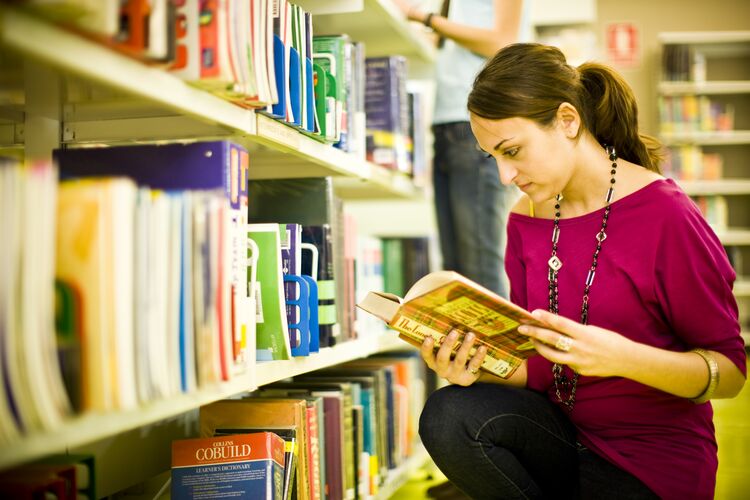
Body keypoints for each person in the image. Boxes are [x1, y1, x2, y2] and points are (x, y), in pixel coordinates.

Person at [417, 43, 747, 499]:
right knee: (448, 414)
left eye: (512, 151)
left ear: (568, 121)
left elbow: (728, 372)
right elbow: (541, 367)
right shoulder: (526, 217)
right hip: (562, 435)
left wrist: (620, 357)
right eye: (491, 157)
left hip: (651, 459)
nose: (504, 176)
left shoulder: (666, 215)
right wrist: (477, 365)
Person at [394, 0, 529, 298]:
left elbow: (502, 41)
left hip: (475, 128)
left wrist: (423, 17)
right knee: (456, 275)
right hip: (446, 125)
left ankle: (497, 345)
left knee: (480, 271)